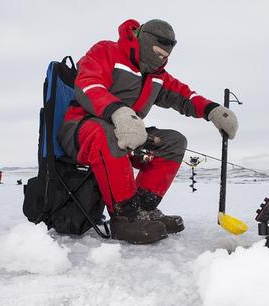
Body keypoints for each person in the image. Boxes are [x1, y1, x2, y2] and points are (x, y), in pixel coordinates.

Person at [58, 19, 238, 244]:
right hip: (80, 129)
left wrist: (212, 110)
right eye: (158, 52)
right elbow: (88, 84)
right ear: (143, 41)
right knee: (106, 134)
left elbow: (184, 96)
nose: (162, 59)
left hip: (127, 132)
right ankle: (125, 217)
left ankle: (142, 208)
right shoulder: (106, 51)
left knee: (173, 142)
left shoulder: (156, 75)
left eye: (166, 55)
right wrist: (119, 112)